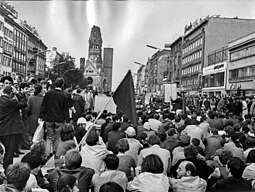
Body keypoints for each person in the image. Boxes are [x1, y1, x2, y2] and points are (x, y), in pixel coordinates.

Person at [39, 78, 70, 158]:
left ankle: (47, 154)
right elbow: (65, 109)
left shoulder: (48, 93)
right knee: (57, 137)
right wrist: (67, 120)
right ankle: (57, 155)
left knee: (49, 137)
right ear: (62, 85)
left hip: (49, 118)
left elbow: (43, 105)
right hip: (59, 119)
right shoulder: (64, 95)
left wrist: (41, 116)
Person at [0, 86, 27, 171]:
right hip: (9, 130)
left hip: (1, 128)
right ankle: (7, 170)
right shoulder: (11, 102)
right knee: (9, 151)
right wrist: (18, 94)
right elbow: (24, 104)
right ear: (11, 93)